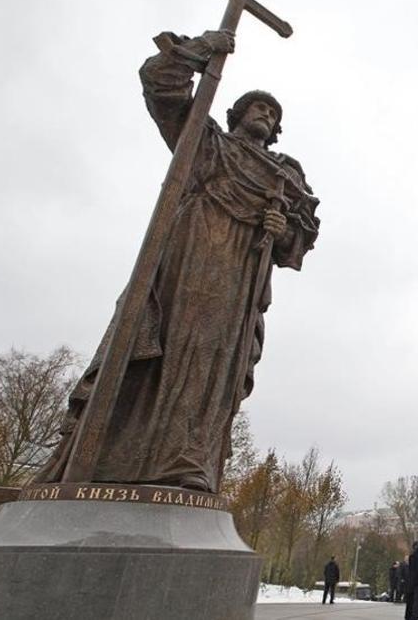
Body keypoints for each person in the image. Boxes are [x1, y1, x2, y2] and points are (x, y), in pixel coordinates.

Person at [35, 28, 320, 493]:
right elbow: (161, 87)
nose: (265, 114)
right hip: (186, 257)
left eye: (272, 113)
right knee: (156, 344)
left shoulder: (281, 175)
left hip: (238, 276)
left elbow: (298, 236)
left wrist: (281, 228)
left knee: (212, 359)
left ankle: (186, 457)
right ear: (236, 114)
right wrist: (202, 48)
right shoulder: (207, 143)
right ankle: (109, 455)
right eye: (257, 107)